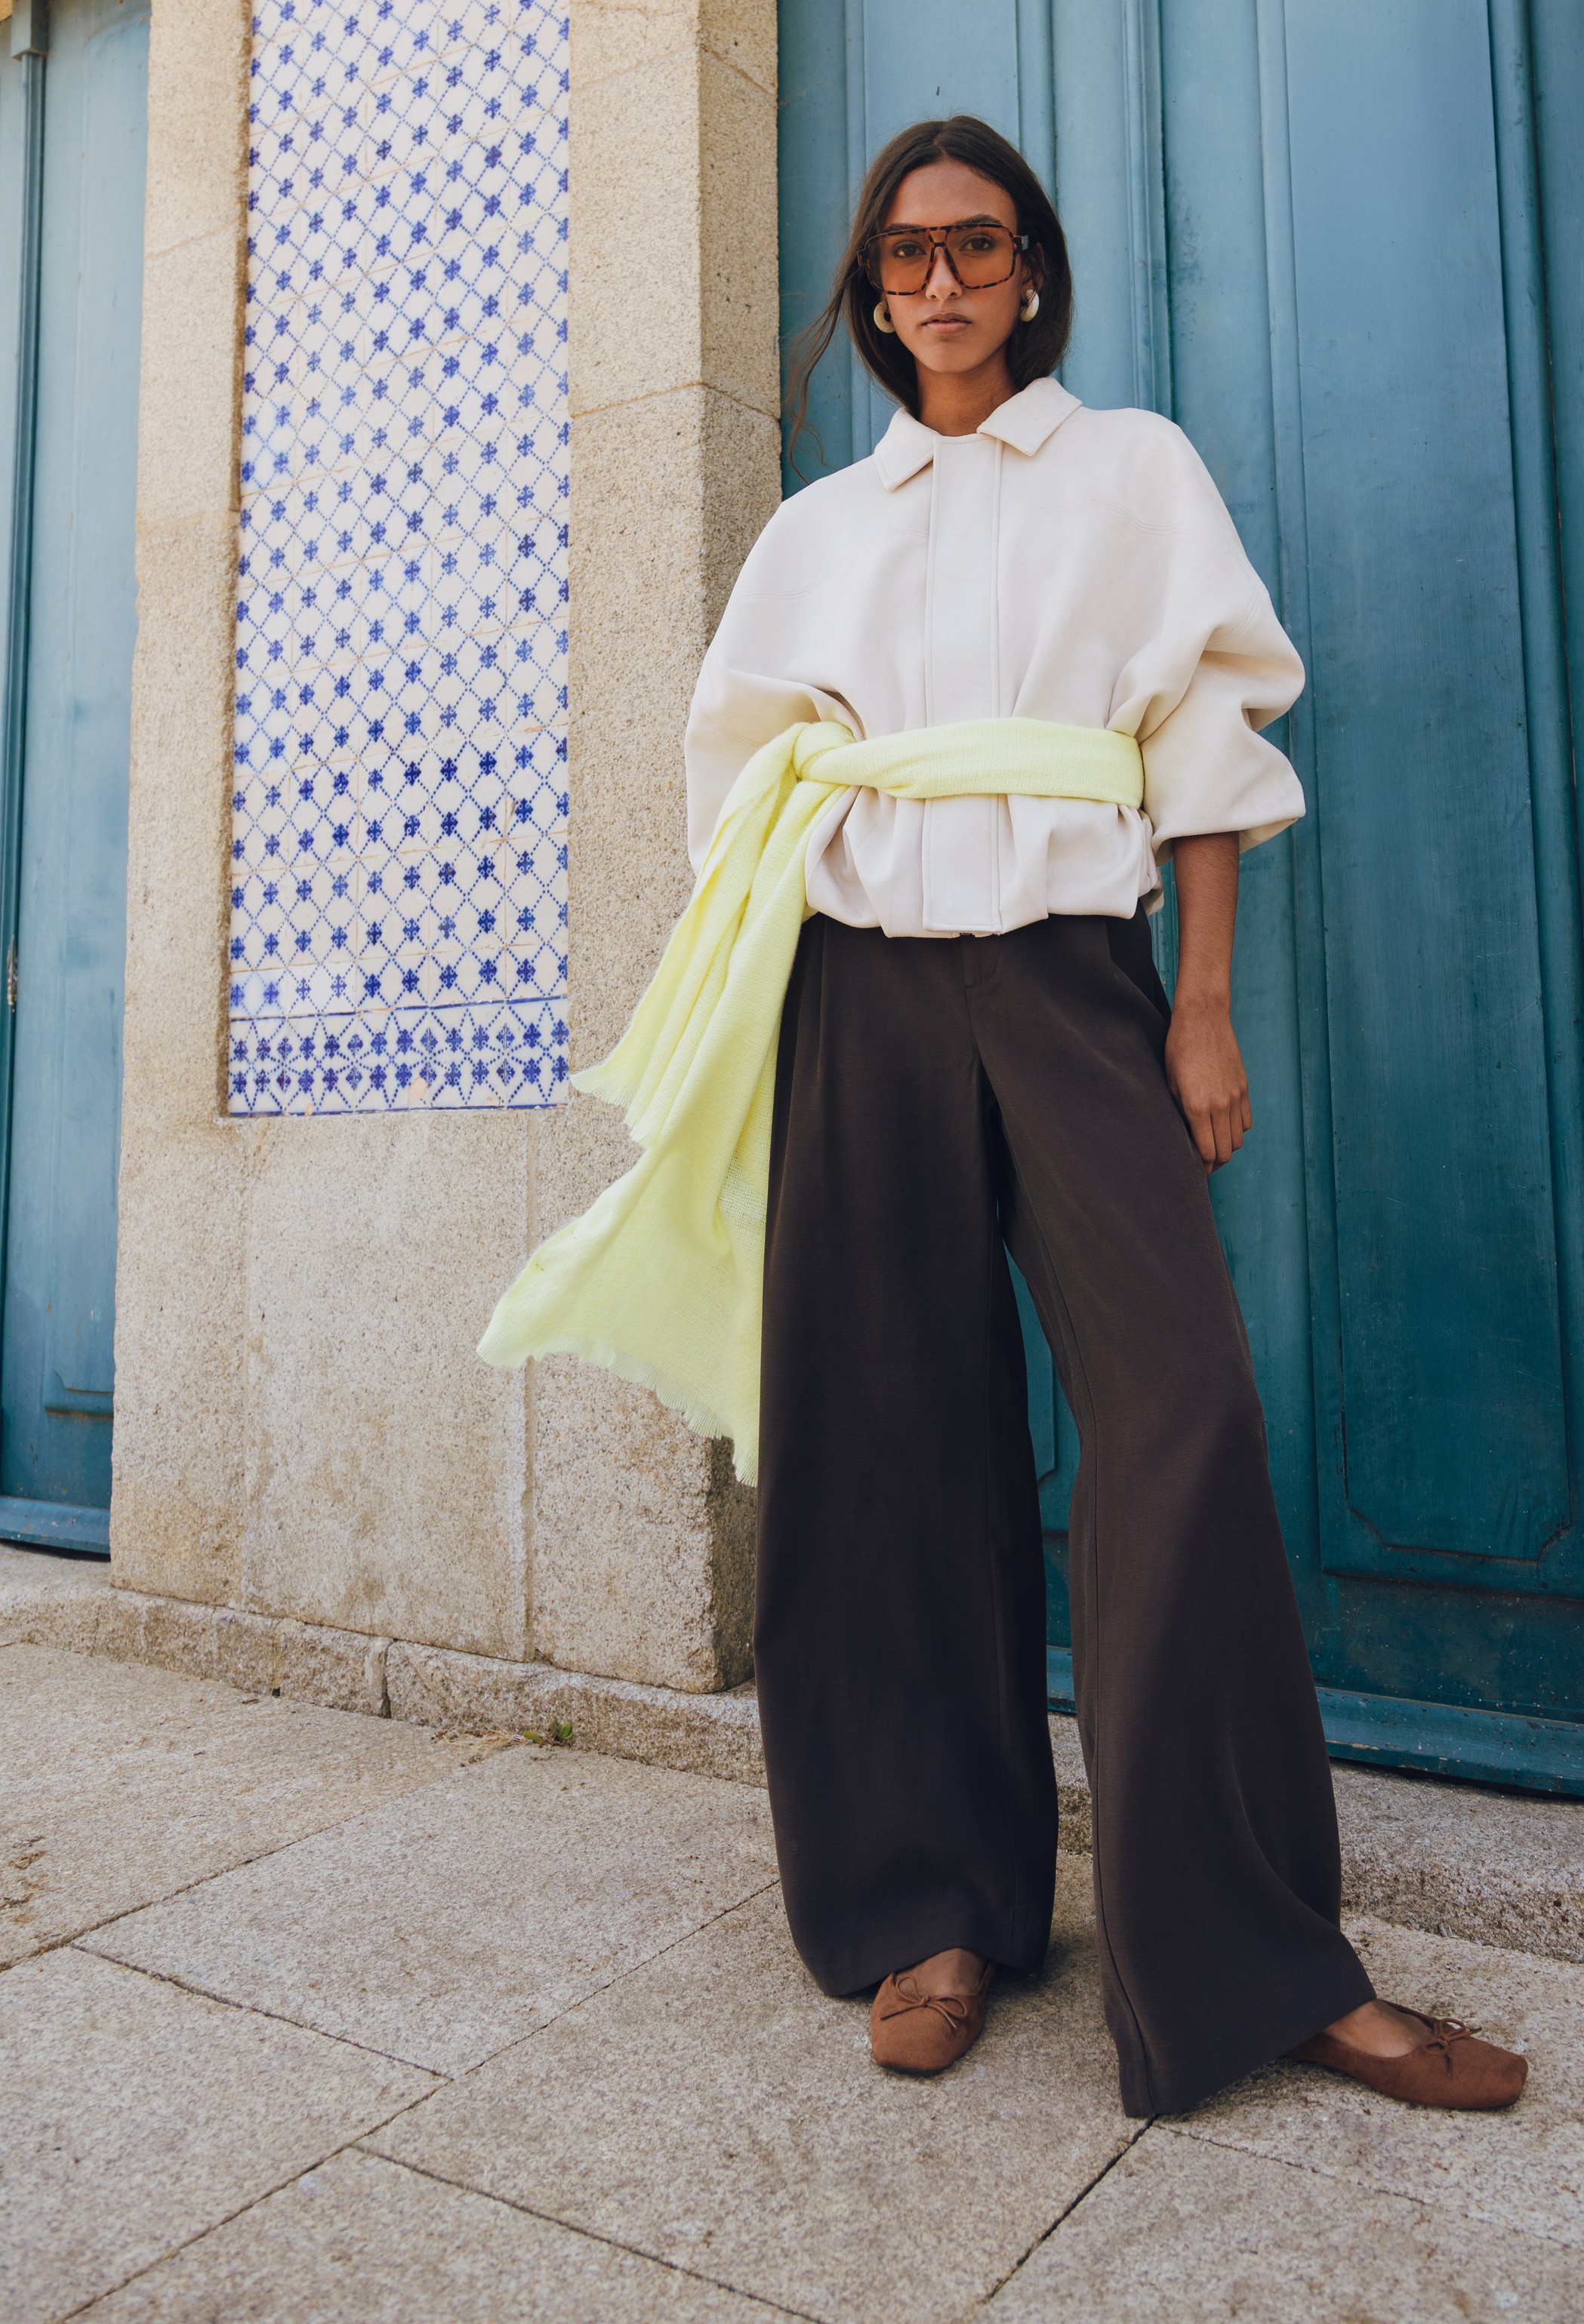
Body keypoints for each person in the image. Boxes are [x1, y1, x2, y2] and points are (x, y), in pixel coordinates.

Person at [485, 112, 1527, 2122]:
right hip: (861, 994)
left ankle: (1252, 1958)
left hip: (1073, 982)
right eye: (905, 254)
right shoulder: (819, 529)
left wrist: (1200, 1008)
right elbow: (738, 782)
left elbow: (1203, 744)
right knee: (881, 1433)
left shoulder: (1134, 473)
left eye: (976, 245)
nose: (942, 280)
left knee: (1181, 1407)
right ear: (874, 293)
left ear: (1030, 268)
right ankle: (931, 1907)